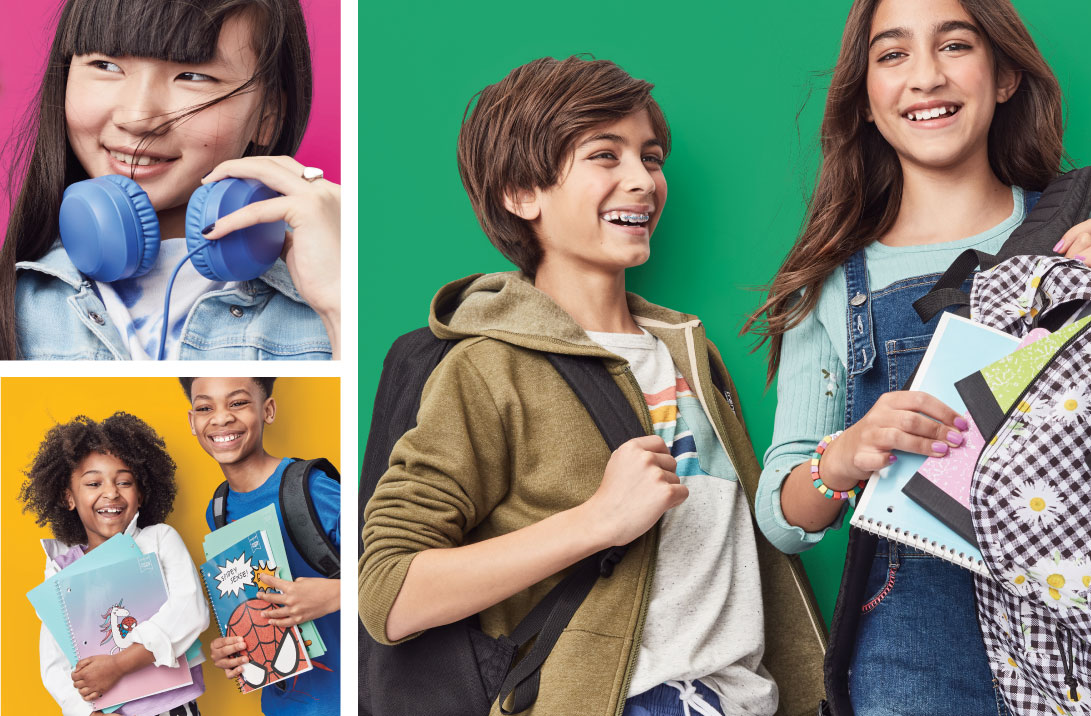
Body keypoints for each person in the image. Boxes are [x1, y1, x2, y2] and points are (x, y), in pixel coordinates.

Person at [358, 55, 826, 716]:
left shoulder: (691, 353)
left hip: (744, 699)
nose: (642, 180)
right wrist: (596, 522)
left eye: (652, 157)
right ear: (521, 193)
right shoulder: (489, 366)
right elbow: (387, 593)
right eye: (605, 156)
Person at [745, 1, 1091, 715]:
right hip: (915, 658)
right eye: (892, 55)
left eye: (955, 45)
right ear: (867, 99)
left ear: (1003, 75)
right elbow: (782, 515)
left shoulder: (1090, 229)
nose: (926, 76)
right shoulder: (832, 282)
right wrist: (846, 455)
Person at [0, 0, 341, 360]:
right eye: (106, 65)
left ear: (267, 115)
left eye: (193, 76)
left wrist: (339, 300)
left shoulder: (331, 298)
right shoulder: (19, 302)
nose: (138, 118)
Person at [19, 412, 208, 716]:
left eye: (124, 481)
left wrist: (119, 665)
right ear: (69, 497)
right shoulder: (60, 570)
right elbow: (54, 662)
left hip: (173, 707)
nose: (111, 492)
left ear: (141, 493)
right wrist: (85, 710)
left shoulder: (160, 540)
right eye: (93, 483)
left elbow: (191, 611)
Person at [181, 376, 340, 716]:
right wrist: (232, 648)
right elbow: (248, 603)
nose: (221, 417)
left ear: (267, 410)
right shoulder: (218, 510)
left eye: (237, 402)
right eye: (205, 407)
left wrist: (335, 594)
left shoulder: (312, 489)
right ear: (192, 422)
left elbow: (394, 571)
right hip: (282, 706)